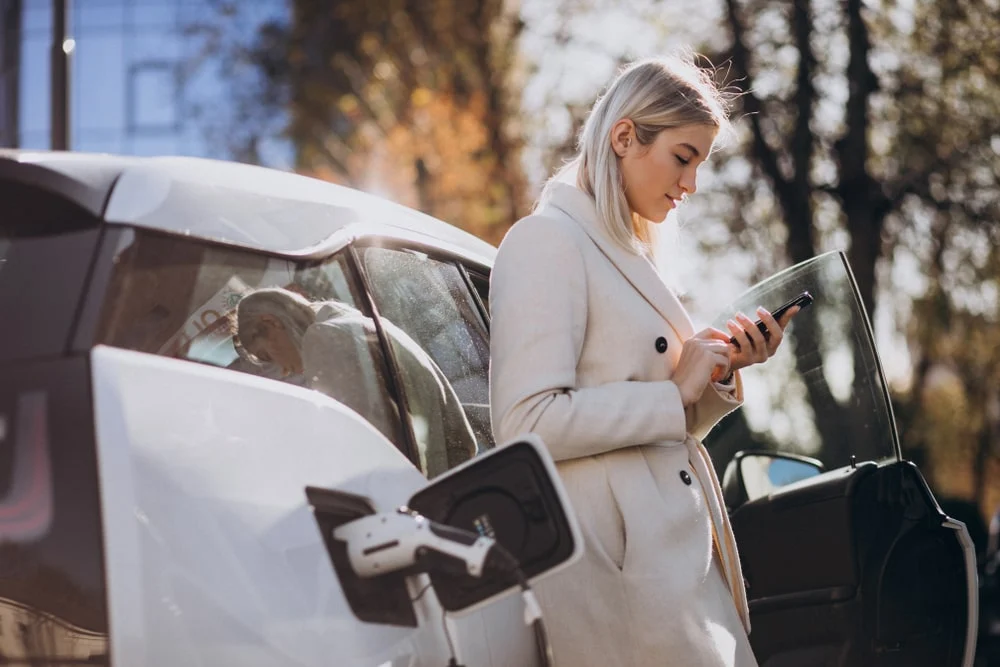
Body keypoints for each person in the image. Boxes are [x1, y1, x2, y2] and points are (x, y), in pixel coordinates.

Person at [489, 56, 801, 667]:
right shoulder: (546, 240)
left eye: (699, 165)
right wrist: (674, 391)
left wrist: (714, 373)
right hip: (618, 573)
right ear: (625, 137)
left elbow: (660, 429)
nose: (691, 184)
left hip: (669, 563)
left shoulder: (624, 251)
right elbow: (526, 423)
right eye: (683, 158)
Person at [236, 287, 477, 477]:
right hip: (449, 474)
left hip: (422, 489)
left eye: (267, 356)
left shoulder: (323, 338)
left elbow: (370, 443)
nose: (284, 370)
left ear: (271, 322)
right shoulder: (358, 324)